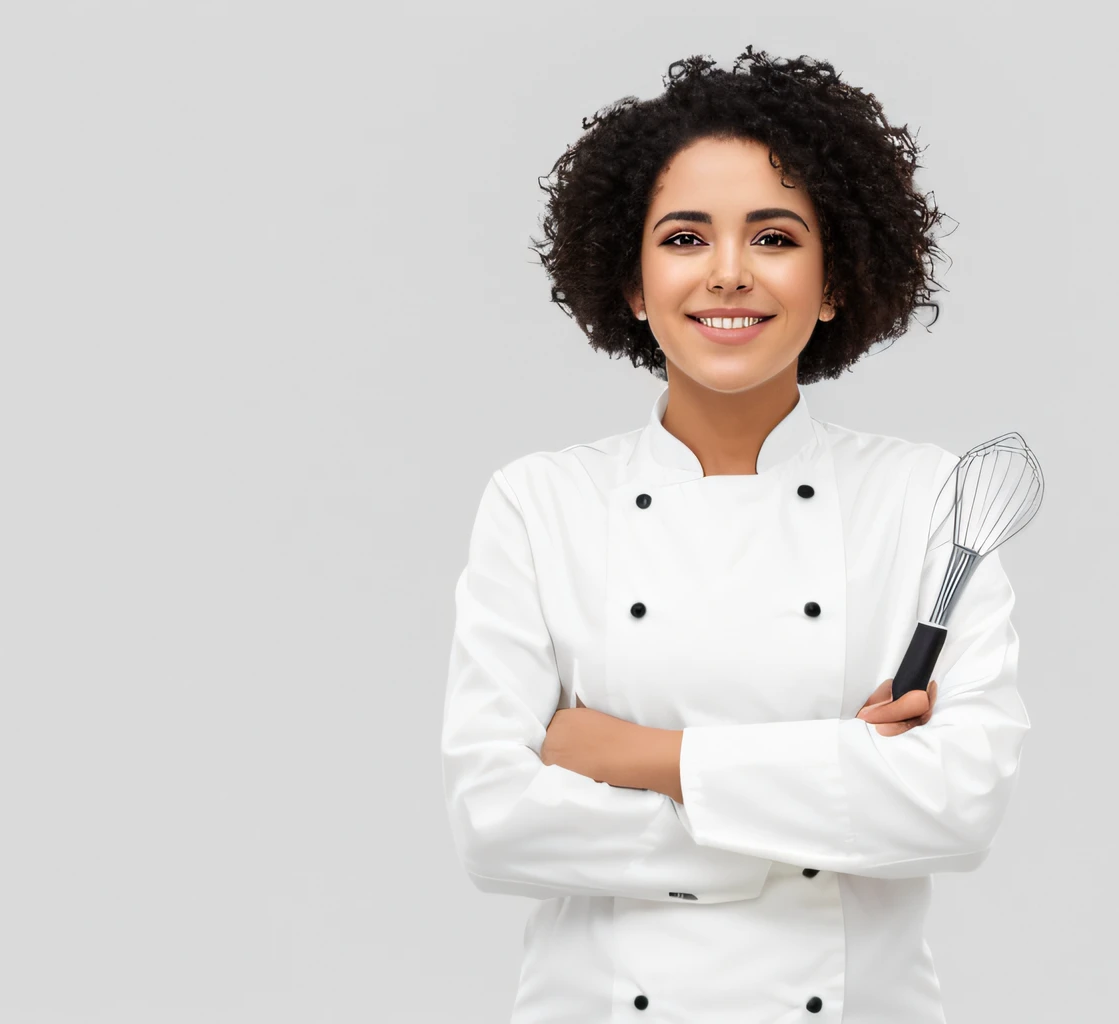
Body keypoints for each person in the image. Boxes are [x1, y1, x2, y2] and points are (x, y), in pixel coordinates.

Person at [441, 46, 1030, 1023]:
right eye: (682, 237)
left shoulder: (928, 499)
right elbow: (496, 825)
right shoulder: (539, 503)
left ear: (835, 280)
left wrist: (633, 755)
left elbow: (957, 806)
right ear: (631, 284)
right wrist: (830, 784)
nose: (727, 274)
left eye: (773, 237)